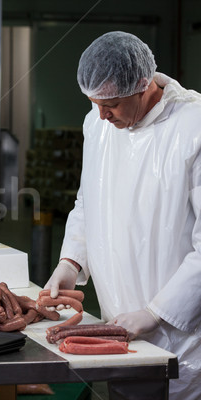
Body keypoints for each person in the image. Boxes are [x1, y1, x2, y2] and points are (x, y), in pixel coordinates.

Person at [44, 31, 201, 399]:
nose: (101, 114)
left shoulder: (192, 130)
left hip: (183, 336)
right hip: (119, 328)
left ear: (143, 85)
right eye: (94, 102)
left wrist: (156, 312)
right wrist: (70, 263)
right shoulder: (98, 125)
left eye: (111, 103)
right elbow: (89, 201)